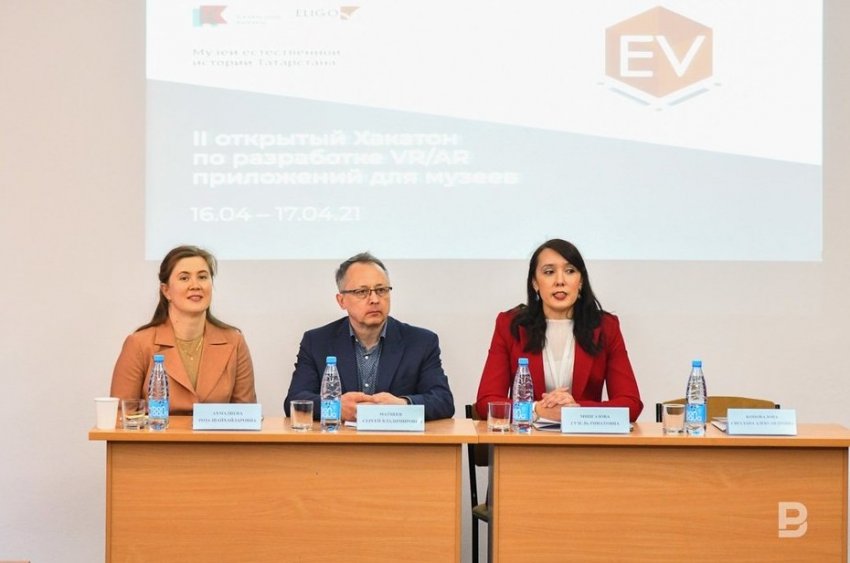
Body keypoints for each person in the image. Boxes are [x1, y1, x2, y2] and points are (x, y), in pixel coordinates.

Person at [476, 239, 642, 422]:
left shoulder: (605, 327)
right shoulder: (510, 325)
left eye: (570, 271)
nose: (560, 281)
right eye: (549, 272)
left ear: (581, 281)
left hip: (584, 437)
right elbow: (486, 403)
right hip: (527, 436)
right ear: (535, 283)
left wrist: (575, 411)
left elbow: (631, 405)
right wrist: (536, 409)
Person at [284, 252, 455, 421]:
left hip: (396, 438)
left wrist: (403, 405)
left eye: (381, 290)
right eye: (362, 292)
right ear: (341, 300)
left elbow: (443, 400)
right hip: (340, 438)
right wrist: (335, 407)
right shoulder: (317, 342)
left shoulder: (421, 342)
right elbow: (294, 401)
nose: (374, 299)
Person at [111, 245, 256, 414]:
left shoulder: (234, 341)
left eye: (202, 277)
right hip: (158, 432)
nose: (195, 285)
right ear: (166, 291)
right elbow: (121, 417)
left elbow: (246, 416)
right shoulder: (139, 344)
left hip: (216, 433)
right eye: (184, 278)